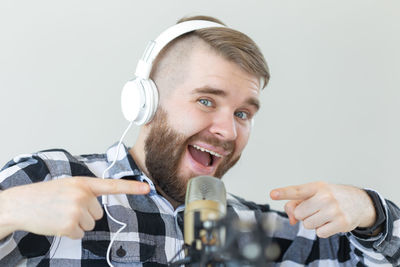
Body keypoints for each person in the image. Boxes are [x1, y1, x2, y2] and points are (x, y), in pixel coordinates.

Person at [0, 15, 399, 267]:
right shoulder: (49, 180)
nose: (227, 131)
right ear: (145, 103)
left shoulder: (254, 231)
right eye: (206, 100)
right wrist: (7, 210)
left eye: (243, 113)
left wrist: (369, 211)